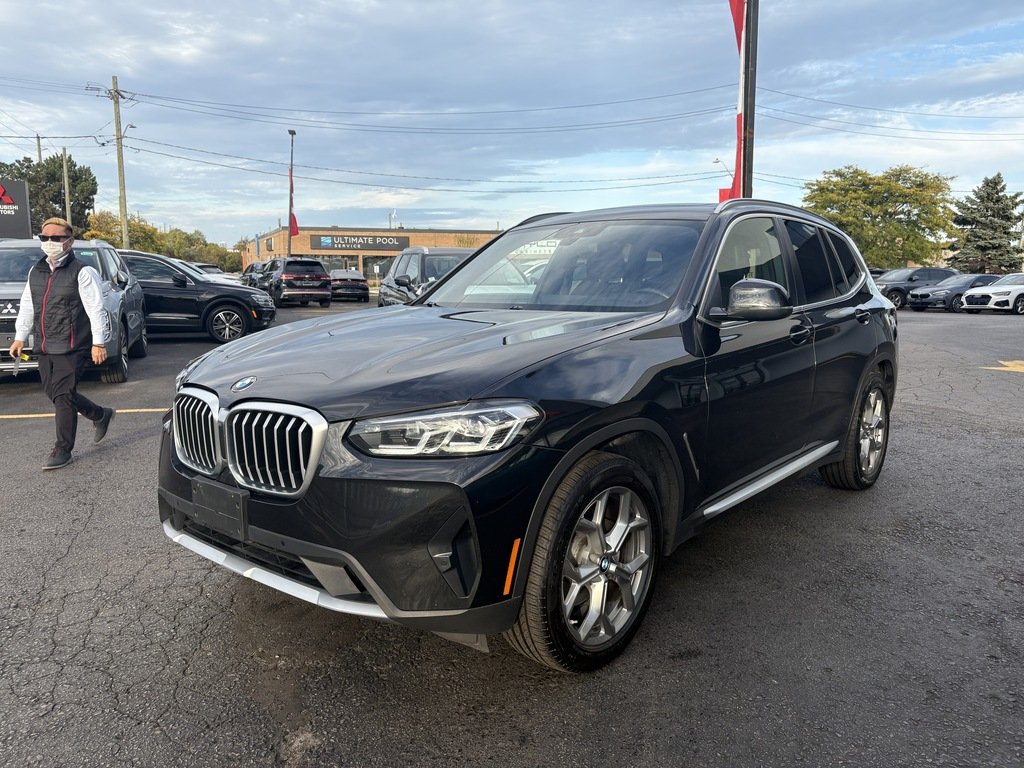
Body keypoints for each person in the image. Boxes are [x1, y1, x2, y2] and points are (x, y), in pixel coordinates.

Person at [8, 217, 116, 470]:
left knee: (64, 394)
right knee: (54, 392)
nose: (50, 242)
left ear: (70, 241)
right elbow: (28, 305)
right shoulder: (36, 271)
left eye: (56, 238)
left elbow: (96, 309)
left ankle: (63, 449)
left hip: (74, 344)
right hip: (46, 343)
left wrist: (99, 343)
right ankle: (99, 414)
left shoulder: (83, 272)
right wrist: (20, 336)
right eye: (45, 238)